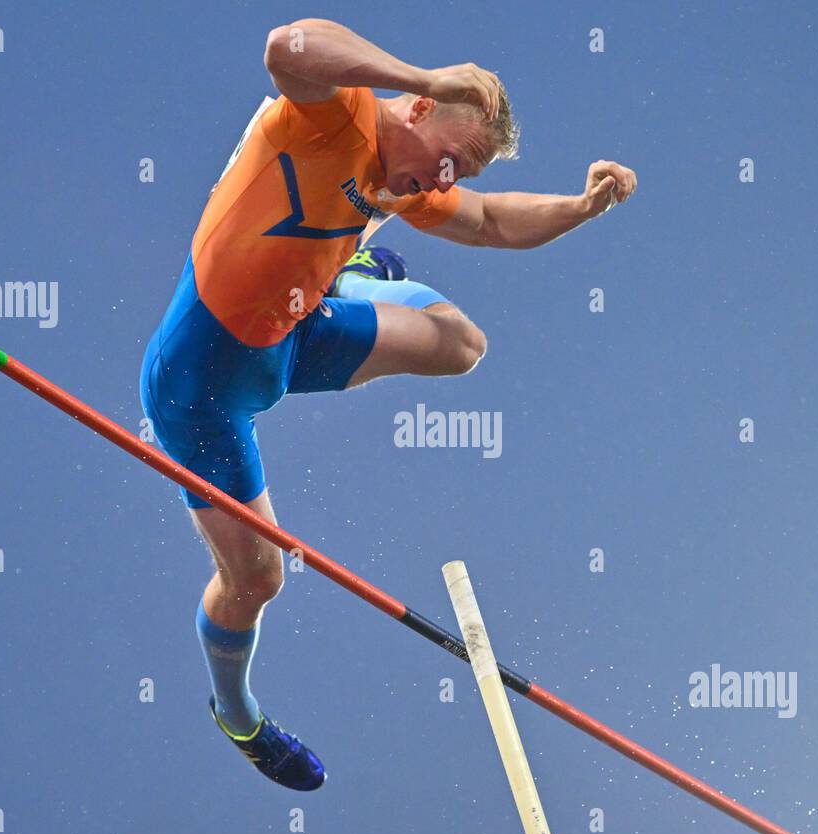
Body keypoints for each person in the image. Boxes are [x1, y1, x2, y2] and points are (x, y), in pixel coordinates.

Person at [139, 17, 637, 790]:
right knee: (259, 580)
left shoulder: (404, 181)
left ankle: (354, 273)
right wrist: (427, 78)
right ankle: (235, 715)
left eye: (458, 174)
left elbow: (494, 221)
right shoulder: (336, 112)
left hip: (290, 340)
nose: (445, 183)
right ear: (416, 111)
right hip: (199, 384)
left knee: (460, 343)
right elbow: (285, 47)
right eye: (449, 161)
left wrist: (581, 208)